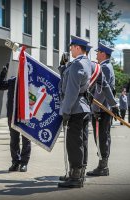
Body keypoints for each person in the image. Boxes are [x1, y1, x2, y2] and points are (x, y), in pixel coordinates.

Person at [57, 35, 92, 188]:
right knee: (81, 142)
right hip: (82, 107)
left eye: (71, 46)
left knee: (74, 143)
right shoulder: (84, 62)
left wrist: (65, 111)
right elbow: (68, 80)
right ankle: (77, 173)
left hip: (75, 108)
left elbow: (71, 90)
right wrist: (63, 66)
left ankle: (76, 177)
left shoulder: (78, 65)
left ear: (78, 47)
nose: (70, 49)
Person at [87, 43, 120, 177]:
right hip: (103, 108)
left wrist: (95, 107)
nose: (96, 54)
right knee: (102, 137)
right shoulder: (106, 66)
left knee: (101, 138)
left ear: (103, 54)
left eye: (98, 52)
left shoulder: (105, 67)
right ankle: (103, 165)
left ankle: (103, 167)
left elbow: (101, 90)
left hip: (101, 109)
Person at [0, 63, 31, 173]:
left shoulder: (31, 82)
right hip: (13, 115)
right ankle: (15, 162)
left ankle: (24, 163)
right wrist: (3, 73)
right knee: (14, 139)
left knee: (26, 139)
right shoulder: (12, 81)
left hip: (25, 115)